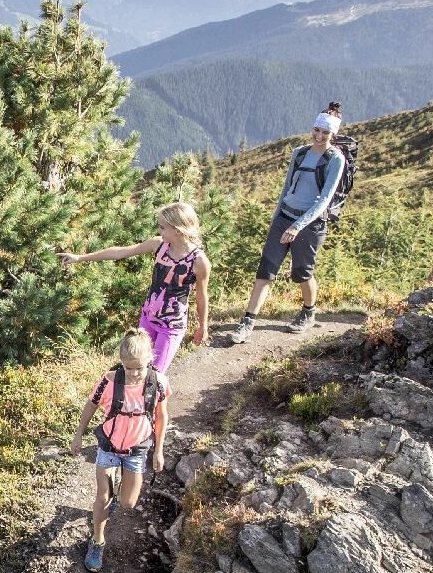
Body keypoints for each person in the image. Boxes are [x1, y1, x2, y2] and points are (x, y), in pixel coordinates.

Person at [228, 103, 345, 344]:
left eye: (326, 133)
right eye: (317, 130)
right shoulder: (299, 153)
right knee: (266, 270)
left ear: (334, 135)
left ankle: (308, 311)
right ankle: (247, 321)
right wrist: (277, 217)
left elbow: (324, 200)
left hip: (310, 224)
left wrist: (298, 226)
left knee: (302, 272)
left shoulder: (335, 159)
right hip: (285, 217)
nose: (320, 136)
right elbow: (286, 187)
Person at [59, 201, 208, 372]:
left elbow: (201, 296)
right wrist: (80, 258)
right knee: (136, 368)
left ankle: (157, 399)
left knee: (154, 376)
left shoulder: (199, 261)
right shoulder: (159, 245)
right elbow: (120, 252)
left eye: (162, 227)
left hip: (171, 326)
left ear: (178, 230)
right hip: (148, 318)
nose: (159, 231)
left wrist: (202, 326)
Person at [68, 330, 171, 573]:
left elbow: (161, 416)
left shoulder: (159, 382)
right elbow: (91, 405)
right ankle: (97, 541)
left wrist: (159, 450)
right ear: (121, 362)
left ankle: (115, 492)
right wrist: (78, 435)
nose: (134, 373)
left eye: (139, 368)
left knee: (128, 502)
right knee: (103, 498)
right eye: (128, 367)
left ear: (149, 360)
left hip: (137, 450)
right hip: (109, 447)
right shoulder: (109, 381)